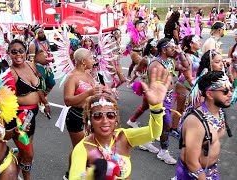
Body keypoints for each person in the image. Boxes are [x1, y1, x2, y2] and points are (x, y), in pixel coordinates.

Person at [69, 65, 172, 180]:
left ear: (116, 118)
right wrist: (95, 173)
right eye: (97, 116)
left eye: (110, 115)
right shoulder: (83, 148)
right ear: (90, 120)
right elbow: (74, 177)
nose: (105, 121)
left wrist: (156, 107)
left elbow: (153, 133)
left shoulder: (123, 137)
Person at [176, 71, 232, 179]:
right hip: (194, 174)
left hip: (211, 170)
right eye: (225, 91)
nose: (230, 94)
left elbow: (212, 136)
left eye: (230, 89)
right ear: (210, 94)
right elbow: (191, 162)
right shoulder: (195, 122)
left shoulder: (219, 112)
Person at [63, 48, 107, 180]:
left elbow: (96, 92)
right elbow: (67, 100)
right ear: (83, 61)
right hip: (76, 117)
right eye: (91, 58)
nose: (93, 60)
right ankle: (72, 175)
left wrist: (107, 93)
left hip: (91, 117)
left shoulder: (89, 74)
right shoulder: (72, 77)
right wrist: (88, 93)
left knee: (87, 149)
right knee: (80, 150)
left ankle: (72, 173)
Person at [9, 39, 50, 180]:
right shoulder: (10, 73)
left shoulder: (30, 65)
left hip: (32, 114)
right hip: (20, 117)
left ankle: (10, 173)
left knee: (24, 151)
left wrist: (45, 103)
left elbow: (38, 89)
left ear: (26, 52)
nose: (18, 54)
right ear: (9, 54)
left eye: (21, 51)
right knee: (29, 153)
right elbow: (4, 99)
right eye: (14, 52)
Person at [148, 38, 185, 165]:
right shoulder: (155, 64)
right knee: (167, 124)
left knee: (158, 124)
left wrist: (181, 53)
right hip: (160, 99)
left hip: (168, 97)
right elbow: (152, 85)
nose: (173, 49)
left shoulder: (169, 61)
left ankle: (146, 140)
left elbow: (185, 66)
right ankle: (163, 152)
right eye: (171, 48)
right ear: (164, 50)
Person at [127, 38, 160, 153]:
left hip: (157, 87)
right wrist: (138, 79)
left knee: (147, 106)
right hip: (148, 87)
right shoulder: (146, 59)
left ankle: (132, 120)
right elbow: (137, 71)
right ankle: (149, 136)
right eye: (156, 46)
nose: (157, 48)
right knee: (153, 108)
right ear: (151, 47)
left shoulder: (159, 58)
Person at [172, 35, 202, 138]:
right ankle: (174, 128)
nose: (200, 42)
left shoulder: (197, 54)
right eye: (197, 41)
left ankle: (182, 127)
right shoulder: (187, 57)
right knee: (180, 109)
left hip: (192, 85)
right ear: (191, 44)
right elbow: (188, 77)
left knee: (188, 109)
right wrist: (197, 88)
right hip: (185, 85)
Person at [28, 27, 56, 97]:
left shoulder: (46, 41)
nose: (42, 34)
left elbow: (50, 52)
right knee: (41, 85)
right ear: (36, 34)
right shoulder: (33, 44)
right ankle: (40, 100)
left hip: (47, 67)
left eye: (43, 32)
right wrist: (36, 71)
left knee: (51, 83)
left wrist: (53, 63)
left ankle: (43, 97)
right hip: (38, 66)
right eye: (40, 33)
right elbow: (31, 60)